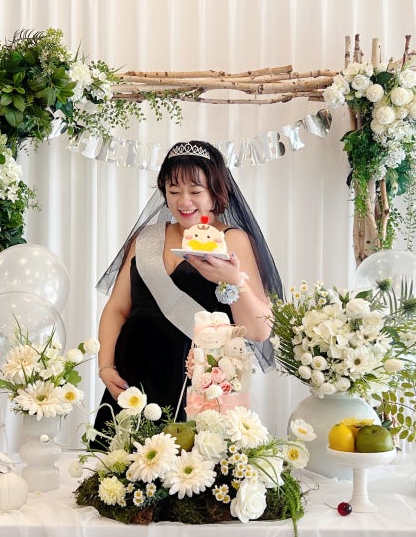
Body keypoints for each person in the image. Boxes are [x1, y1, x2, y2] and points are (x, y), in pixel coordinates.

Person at [92, 140, 282, 439]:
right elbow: (116, 309)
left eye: (195, 191)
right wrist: (105, 366)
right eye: (173, 190)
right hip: (132, 379)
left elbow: (259, 331)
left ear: (216, 192)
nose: (184, 201)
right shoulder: (146, 238)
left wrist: (234, 280)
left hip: (196, 384)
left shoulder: (232, 241)